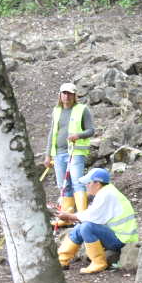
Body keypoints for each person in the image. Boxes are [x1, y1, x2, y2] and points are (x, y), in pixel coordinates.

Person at [53, 168, 137, 274]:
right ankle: (62, 260)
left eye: (88, 183)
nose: (86, 186)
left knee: (86, 227)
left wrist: (69, 216)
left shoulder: (106, 194)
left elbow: (91, 217)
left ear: (97, 183)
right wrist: (71, 216)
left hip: (122, 240)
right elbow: (91, 216)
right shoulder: (106, 192)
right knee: (81, 227)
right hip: (116, 235)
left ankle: (98, 263)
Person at [45, 82, 95, 223]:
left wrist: (77, 136)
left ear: (74, 95)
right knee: (63, 185)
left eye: (70, 94)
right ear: (60, 95)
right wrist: (47, 155)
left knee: (77, 182)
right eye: (64, 93)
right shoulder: (56, 111)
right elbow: (52, 133)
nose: (67, 96)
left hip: (76, 151)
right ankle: (67, 216)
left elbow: (91, 130)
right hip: (58, 153)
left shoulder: (82, 109)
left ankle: (83, 216)